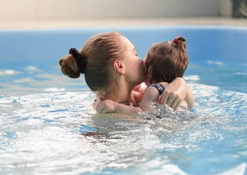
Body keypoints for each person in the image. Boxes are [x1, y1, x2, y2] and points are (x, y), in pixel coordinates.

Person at [59, 32, 193, 114]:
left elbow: (189, 105)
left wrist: (180, 84)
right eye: (135, 54)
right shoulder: (118, 116)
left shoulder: (134, 95)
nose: (141, 60)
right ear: (119, 66)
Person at [94, 36, 193, 115]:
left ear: (150, 70)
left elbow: (143, 113)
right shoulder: (173, 90)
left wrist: (116, 107)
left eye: (145, 63)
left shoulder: (153, 89)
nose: (141, 62)